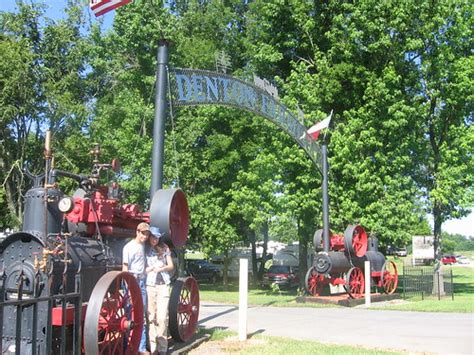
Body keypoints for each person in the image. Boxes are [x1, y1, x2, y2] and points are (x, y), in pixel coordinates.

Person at [145, 226, 174, 355]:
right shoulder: (145, 250)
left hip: (163, 285)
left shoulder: (165, 248)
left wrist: (162, 268)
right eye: (152, 237)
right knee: (151, 317)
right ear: (149, 237)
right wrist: (151, 268)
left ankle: (162, 348)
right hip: (150, 285)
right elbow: (142, 268)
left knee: (162, 318)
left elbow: (171, 266)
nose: (154, 239)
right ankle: (153, 348)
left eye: (156, 237)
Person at [123, 222, 150, 355]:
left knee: (141, 314)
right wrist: (127, 286)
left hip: (141, 280)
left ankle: (141, 347)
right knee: (129, 313)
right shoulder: (128, 247)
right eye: (143, 234)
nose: (145, 237)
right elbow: (125, 268)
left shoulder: (144, 246)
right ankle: (127, 346)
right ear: (137, 232)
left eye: (146, 234)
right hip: (131, 280)